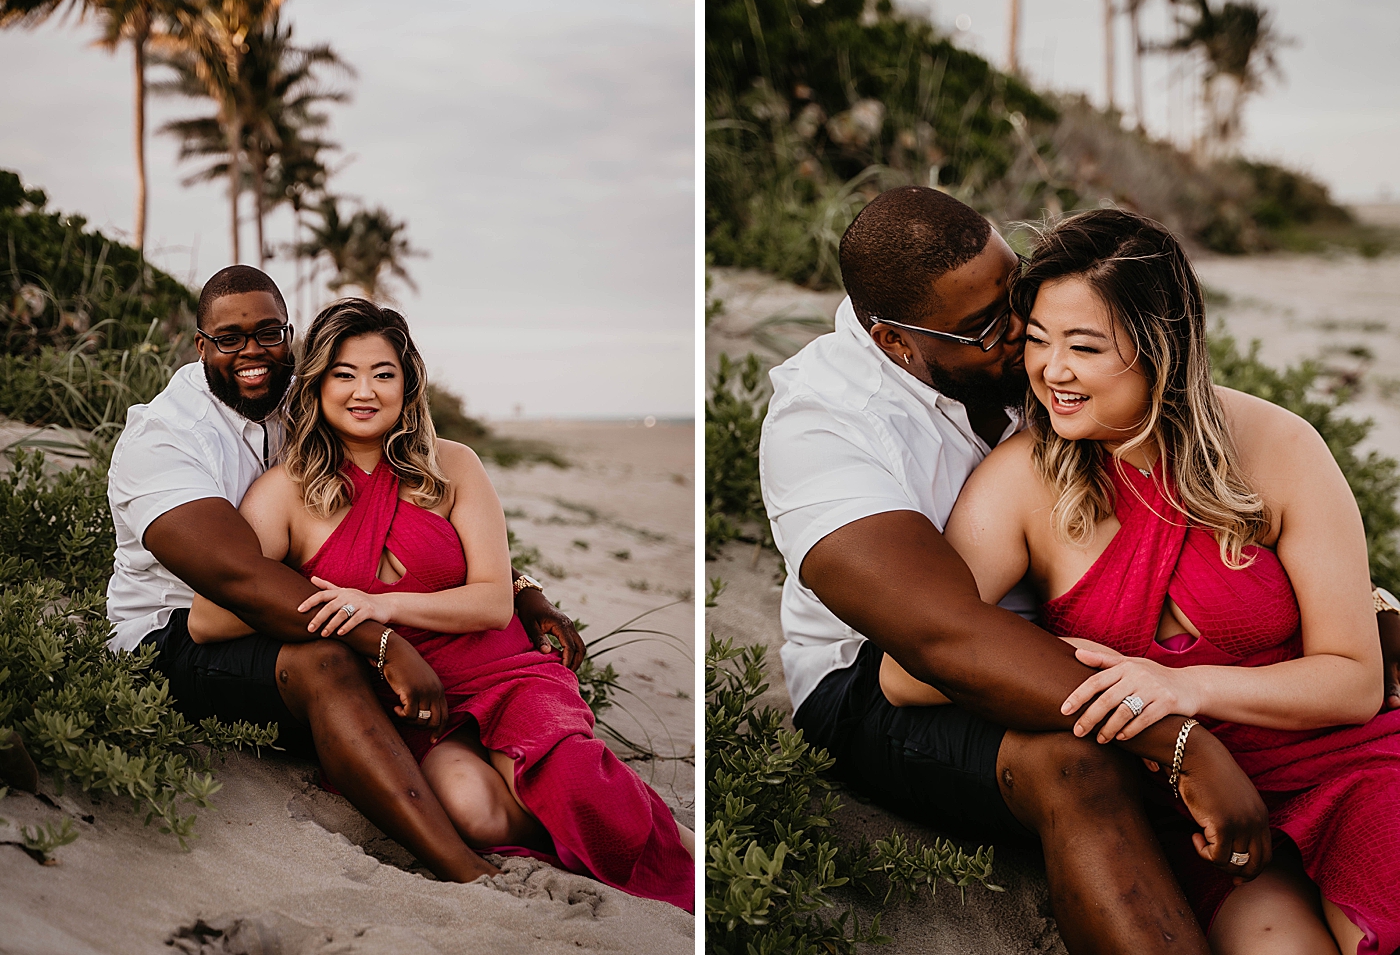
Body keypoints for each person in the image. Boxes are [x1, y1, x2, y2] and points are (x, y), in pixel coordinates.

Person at [759, 186, 1400, 955]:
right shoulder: (831, 424)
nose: (1028, 354)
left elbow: (1349, 671)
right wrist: (1175, 732)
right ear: (899, 343)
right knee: (1079, 770)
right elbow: (930, 645)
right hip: (883, 678)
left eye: (1022, 307)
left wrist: (1200, 680)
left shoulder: (1267, 442)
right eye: (1006, 332)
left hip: (1328, 756)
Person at [186, 296, 694, 910]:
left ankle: (649, 842)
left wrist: (378, 607)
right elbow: (208, 619)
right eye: (344, 374)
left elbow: (490, 603)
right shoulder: (284, 493)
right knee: (473, 812)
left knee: (574, 785)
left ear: (408, 383)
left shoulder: (453, 466)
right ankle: (585, 823)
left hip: (502, 674)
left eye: (382, 373)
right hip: (409, 706)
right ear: (317, 383)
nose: (363, 391)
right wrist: (308, 602)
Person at [106, 266, 584, 887]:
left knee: (371, 658)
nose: (251, 352)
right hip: (174, 635)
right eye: (229, 338)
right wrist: (384, 642)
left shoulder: (296, 402)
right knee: (327, 662)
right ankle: (461, 868)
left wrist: (523, 594)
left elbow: (407, 530)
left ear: (290, 338)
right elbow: (237, 579)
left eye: (268, 333)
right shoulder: (164, 440)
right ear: (201, 346)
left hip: (300, 607)